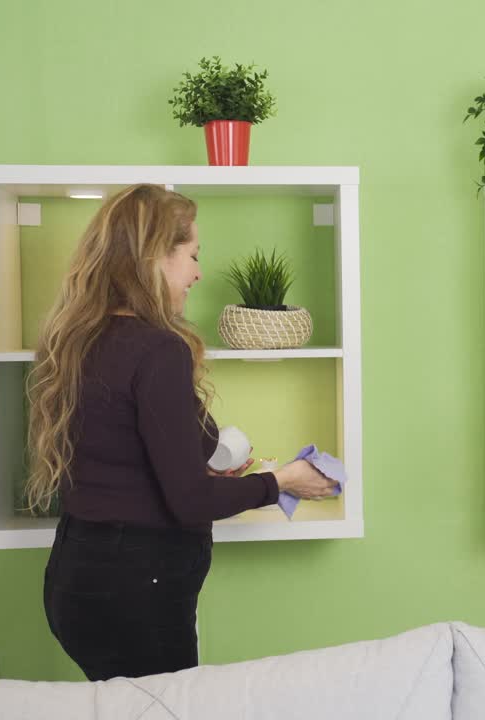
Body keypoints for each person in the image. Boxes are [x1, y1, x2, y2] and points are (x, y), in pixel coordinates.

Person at [27, 183, 336, 680]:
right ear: (154, 257)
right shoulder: (158, 350)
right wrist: (284, 482)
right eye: (192, 255)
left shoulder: (77, 339)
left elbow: (127, 459)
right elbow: (189, 502)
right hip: (136, 593)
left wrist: (208, 469)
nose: (198, 272)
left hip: (75, 578)